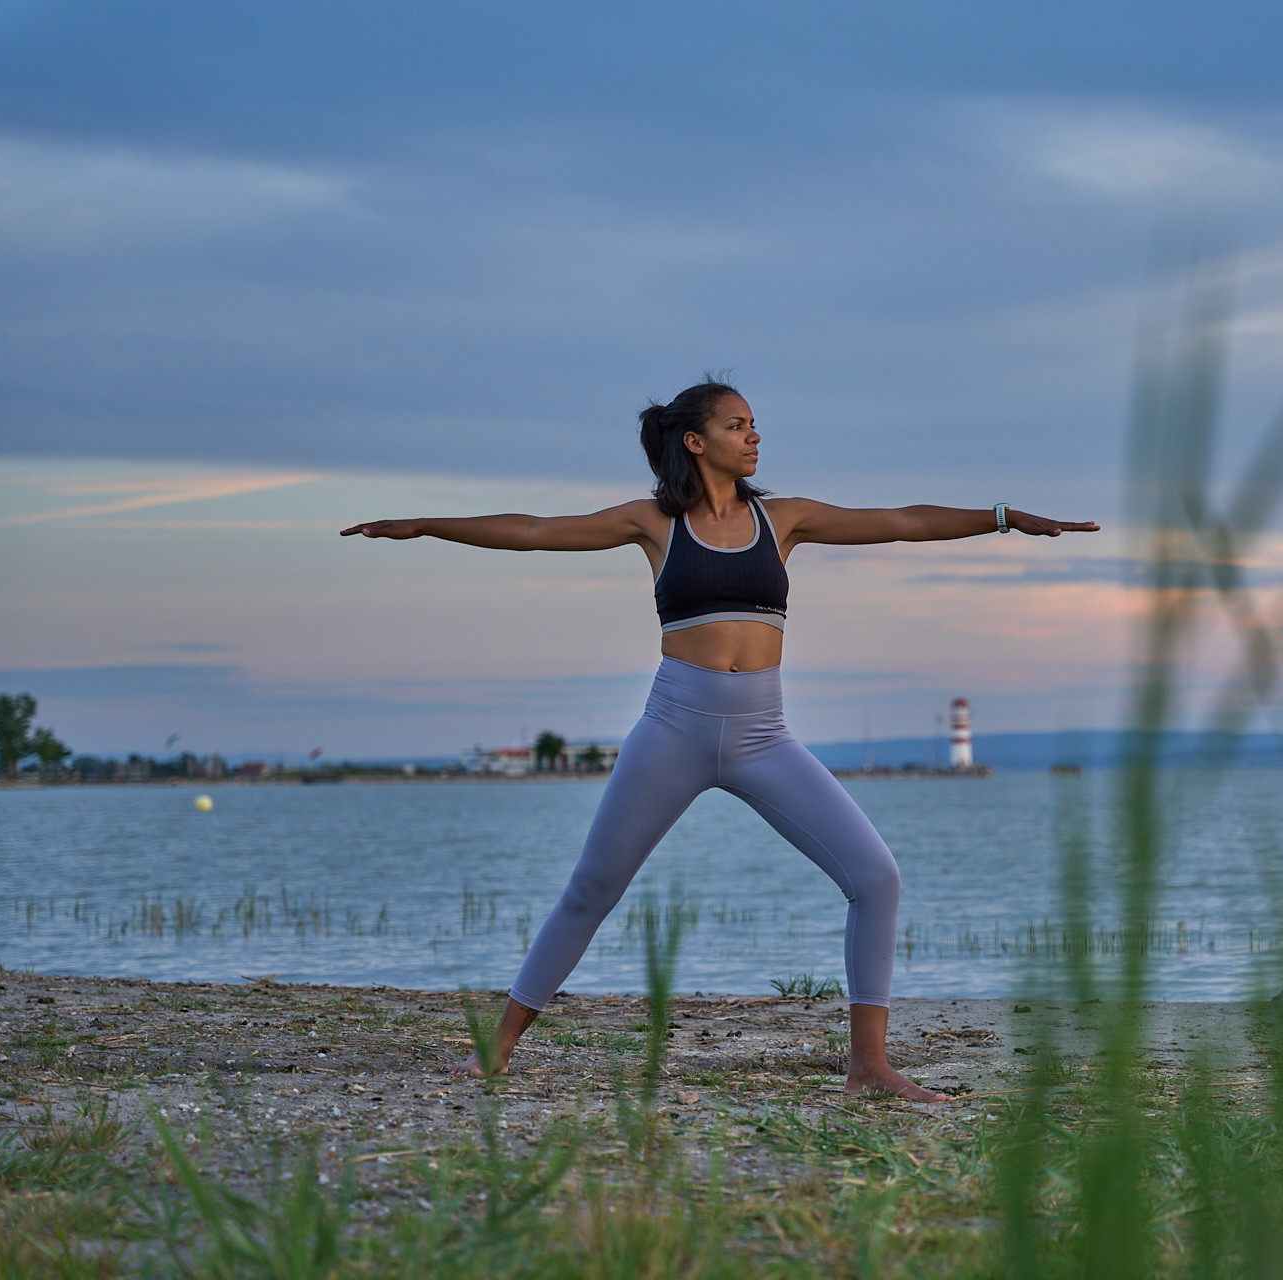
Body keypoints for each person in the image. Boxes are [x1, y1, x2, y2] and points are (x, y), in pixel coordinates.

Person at [341, 379, 1098, 1099]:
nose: (755, 435)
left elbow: (901, 522)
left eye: (754, 424)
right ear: (697, 442)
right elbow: (537, 533)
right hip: (674, 726)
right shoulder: (653, 522)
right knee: (592, 889)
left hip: (764, 736)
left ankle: (870, 1068)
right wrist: (426, 524)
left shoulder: (787, 519)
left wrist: (1003, 517)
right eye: (739, 426)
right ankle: (498, 1049)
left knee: (876, 877)